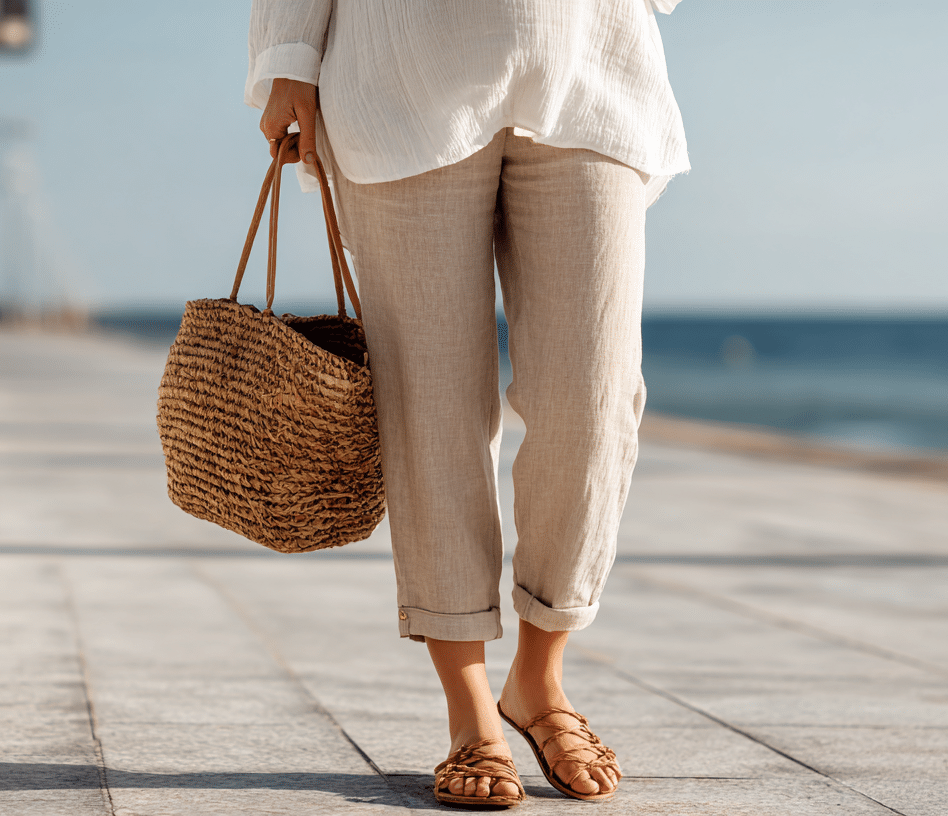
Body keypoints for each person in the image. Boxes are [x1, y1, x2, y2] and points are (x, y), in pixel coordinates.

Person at [247, 0, 688, 807]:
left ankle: (538, 680)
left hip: (590, 67)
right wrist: (286, 57)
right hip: (399, 73)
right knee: (431, 411)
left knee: (594, 402)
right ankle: (469, 708)